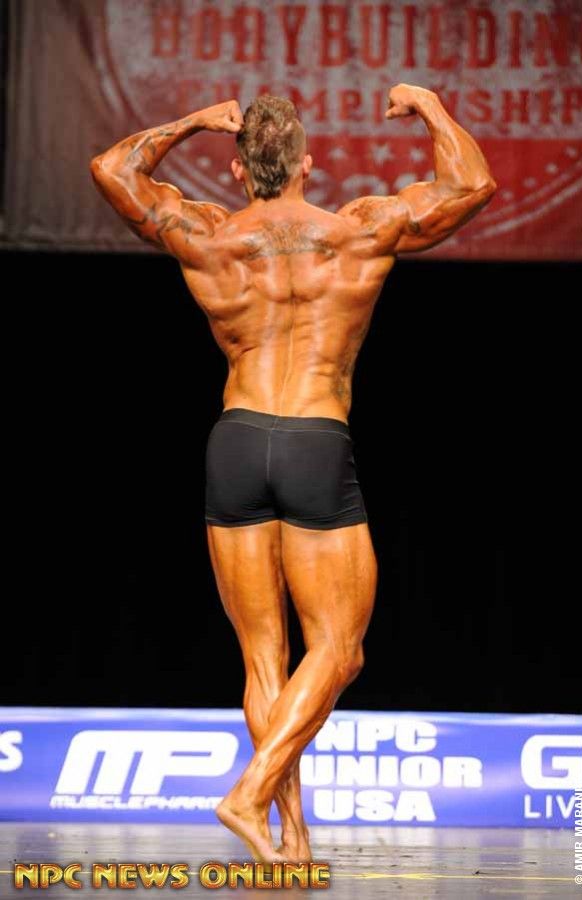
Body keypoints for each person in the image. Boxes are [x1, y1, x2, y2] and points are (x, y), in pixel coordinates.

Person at [90, 83, 496, 863]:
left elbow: (111, 169)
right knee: (339, 649)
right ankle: (250, 796)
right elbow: (472, 184)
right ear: (308, 164)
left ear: (238, 172)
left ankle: (293, 841)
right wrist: (429, 106)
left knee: (263, 657)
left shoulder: (209, 235)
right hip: (314, 439)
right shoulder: (358, 233)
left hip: (236, 442)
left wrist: (193, 122)